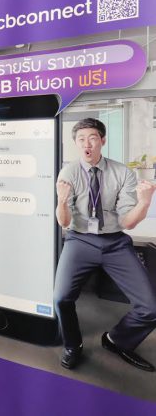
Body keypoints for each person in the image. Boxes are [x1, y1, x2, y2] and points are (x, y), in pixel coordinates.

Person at [54, 118, 156, 371]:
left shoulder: (122, 173)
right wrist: (62, 201)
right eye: (81, 139)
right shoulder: (69, 173)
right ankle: (72, 345)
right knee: (61, 298)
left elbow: (127, 222)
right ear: (76, 143)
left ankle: (116, 340)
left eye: (92, 138)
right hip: (79, 240)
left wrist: (144, 202)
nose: (86, 144)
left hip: (115, 242)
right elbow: (64, 222)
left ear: (103, 140)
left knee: (151, 307)